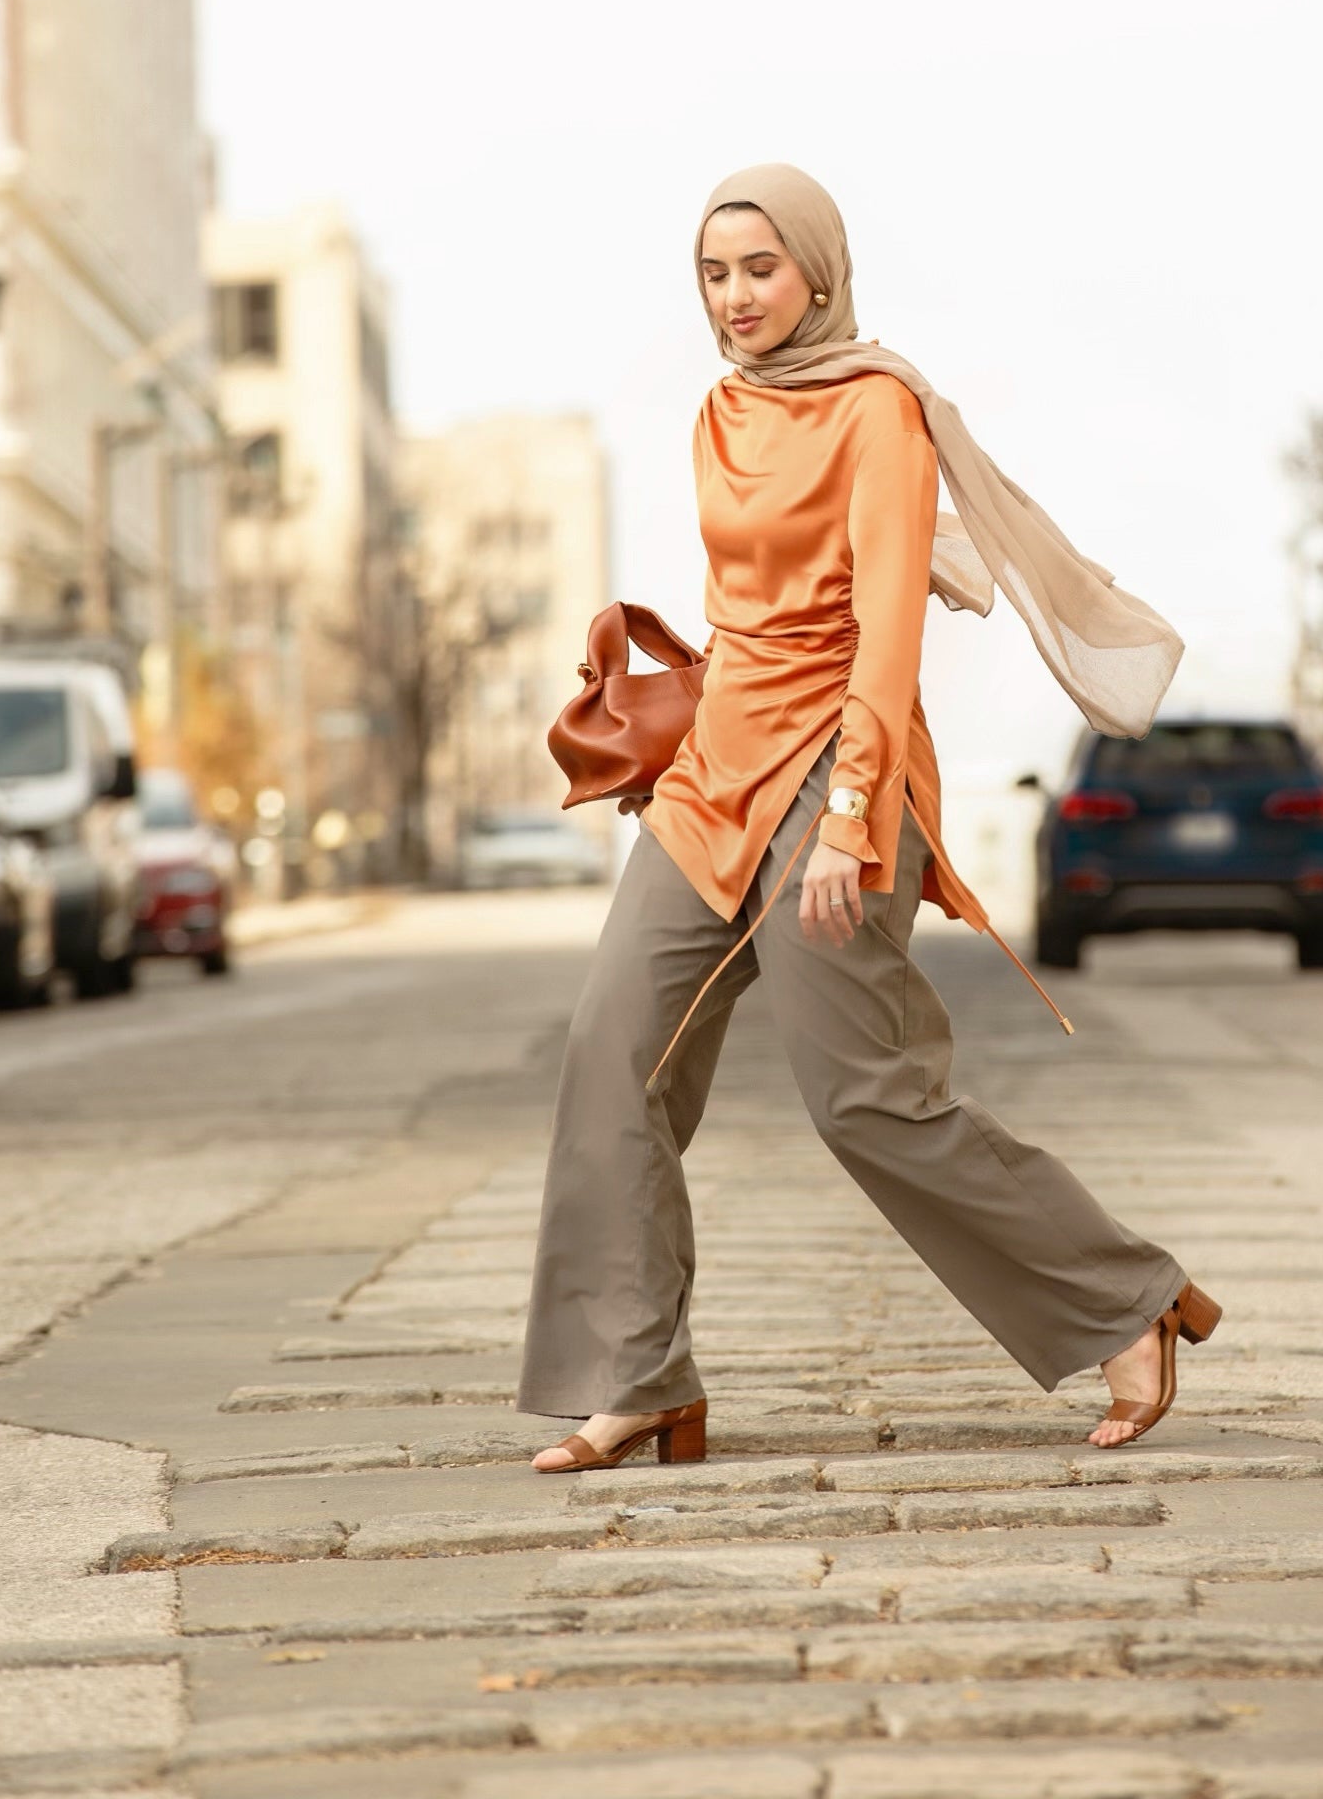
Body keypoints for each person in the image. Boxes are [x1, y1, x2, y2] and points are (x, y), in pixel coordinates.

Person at [517, 163, 1220, 1476]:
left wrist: (851, 816)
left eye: (761, 269)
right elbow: (744, 612)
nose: (735, 297)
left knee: (866, 1100)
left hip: (840, 767)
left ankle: (1128, 1302)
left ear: (819, 273)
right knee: (611, 1053)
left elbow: (887, 628)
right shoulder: (721, 410)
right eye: (714, 275)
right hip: (712, 779)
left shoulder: (880, 409)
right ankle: (636, 1377)